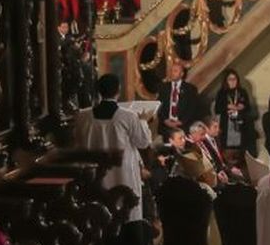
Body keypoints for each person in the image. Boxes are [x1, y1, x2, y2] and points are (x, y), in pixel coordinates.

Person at [73, 74, 153, 224]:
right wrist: (143, 121)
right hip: (123, 175)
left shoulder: (83, 116)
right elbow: (143, 142)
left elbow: (78, 142)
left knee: (99, 220)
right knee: (126, 218)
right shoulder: (128, 116)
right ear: (118, 90)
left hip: (94, 177)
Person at [212, 69, 258, 161]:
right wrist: (227, 107)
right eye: (230, 79)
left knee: (240, 152)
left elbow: (248, 108)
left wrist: (242, 107)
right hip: (227, 125)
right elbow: (217, 109)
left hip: (240, 124)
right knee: (229, 153)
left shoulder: (242, 91)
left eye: (235, 79)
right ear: (226, 81)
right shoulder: (221, 93)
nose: (233, 81)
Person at [156, 62, 203, 137]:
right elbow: (158, 106)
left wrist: (181, 122)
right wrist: (165, 120)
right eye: (171, 71)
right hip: (166, 127)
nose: (172, 73)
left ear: (182, 74)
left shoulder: (190, 89)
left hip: (183, 126)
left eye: (175, 71)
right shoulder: (163, 87)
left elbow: (192, 108)